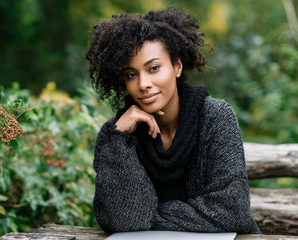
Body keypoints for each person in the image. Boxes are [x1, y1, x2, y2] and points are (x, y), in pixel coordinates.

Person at [85, 6, 261, 234]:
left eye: (154, 68)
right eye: (131, 75)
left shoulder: (215, 116)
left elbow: (231, 211)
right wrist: (118, 138)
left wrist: (150, 216)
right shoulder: (116, 133)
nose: (143, 84)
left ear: (177, 66)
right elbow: (120, 221)